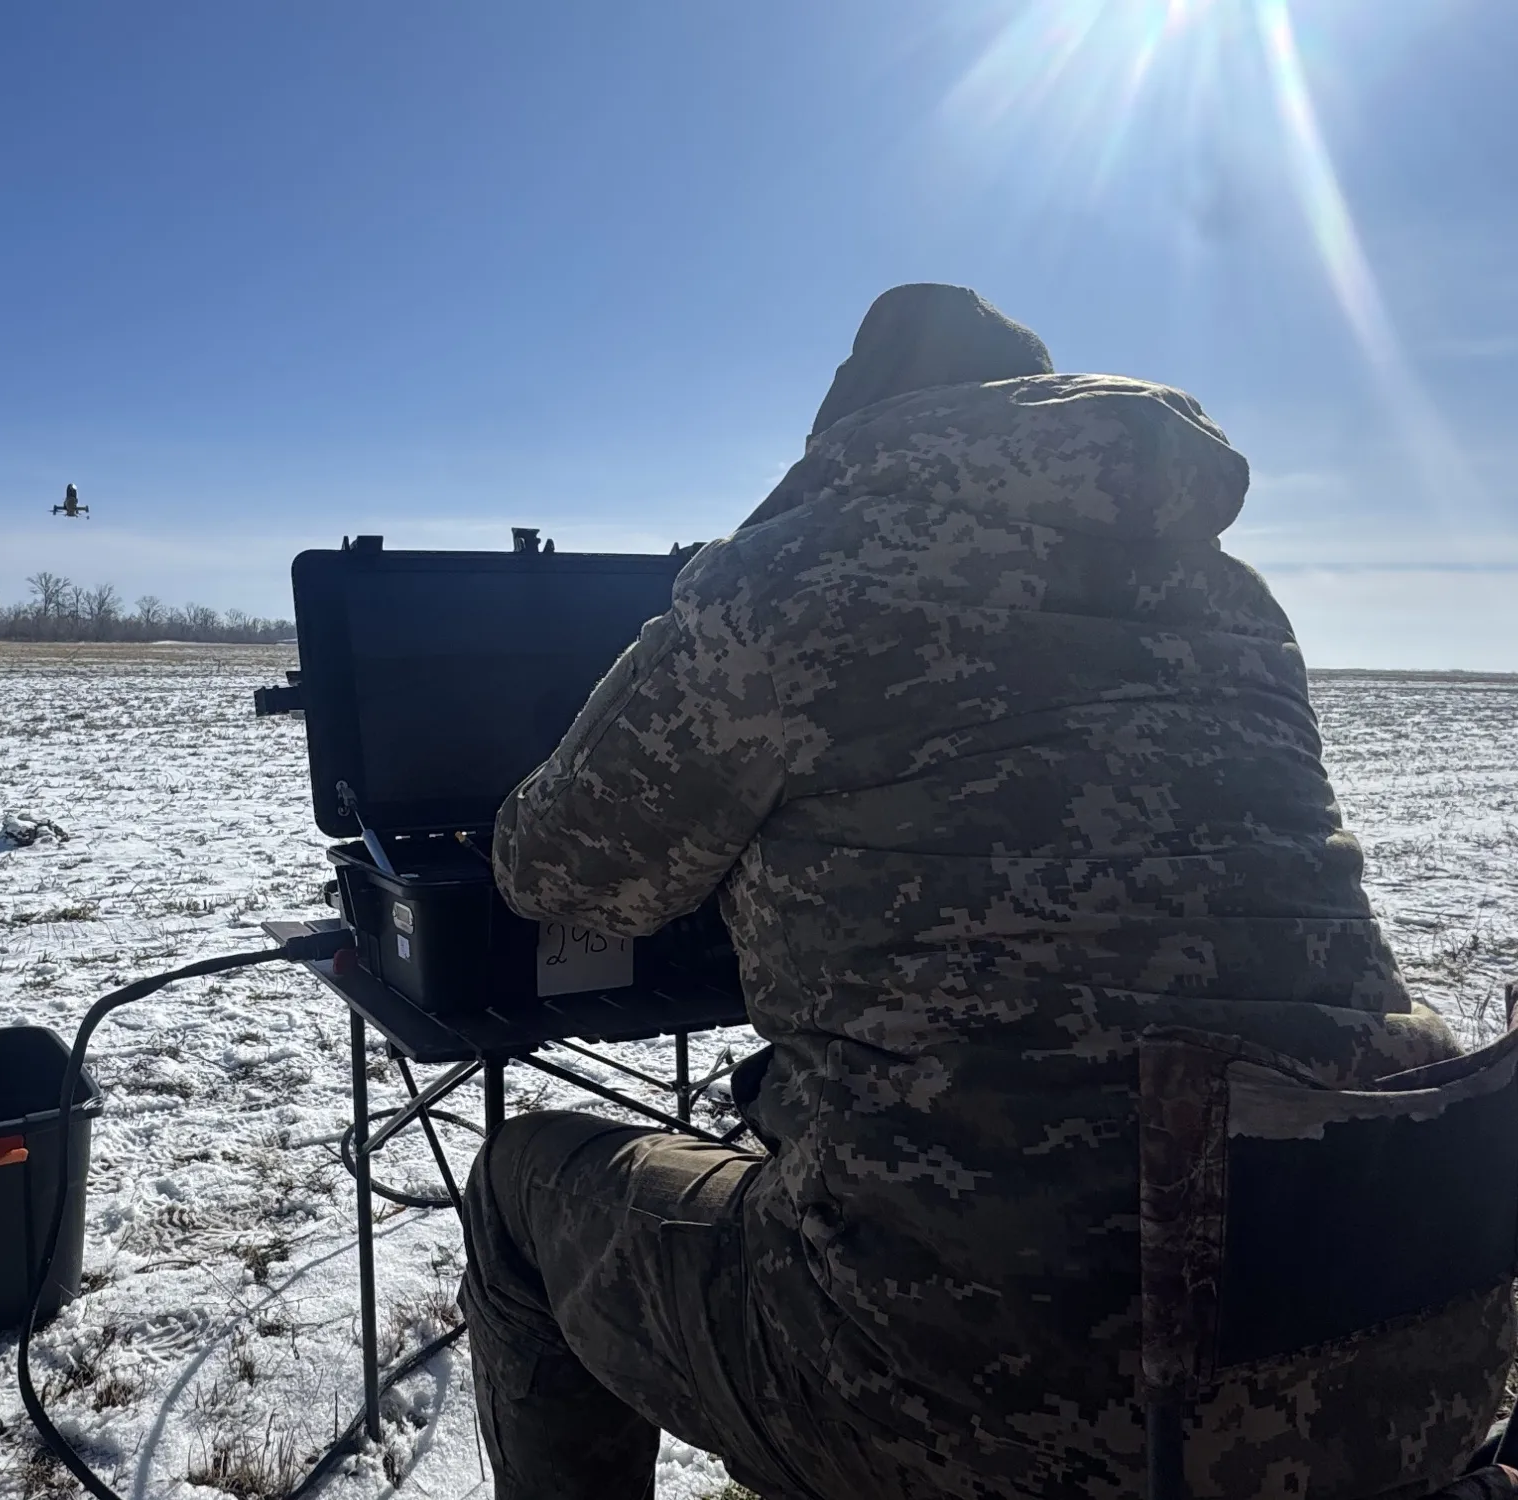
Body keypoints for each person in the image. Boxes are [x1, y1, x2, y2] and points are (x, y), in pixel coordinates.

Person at [461, 284, 1509, 1500]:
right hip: (1400, 1357)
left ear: (851, 427)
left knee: (519, 1188)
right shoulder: (1232, 602)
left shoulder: (791, 577)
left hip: (1012, 1397)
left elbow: (555, 869)